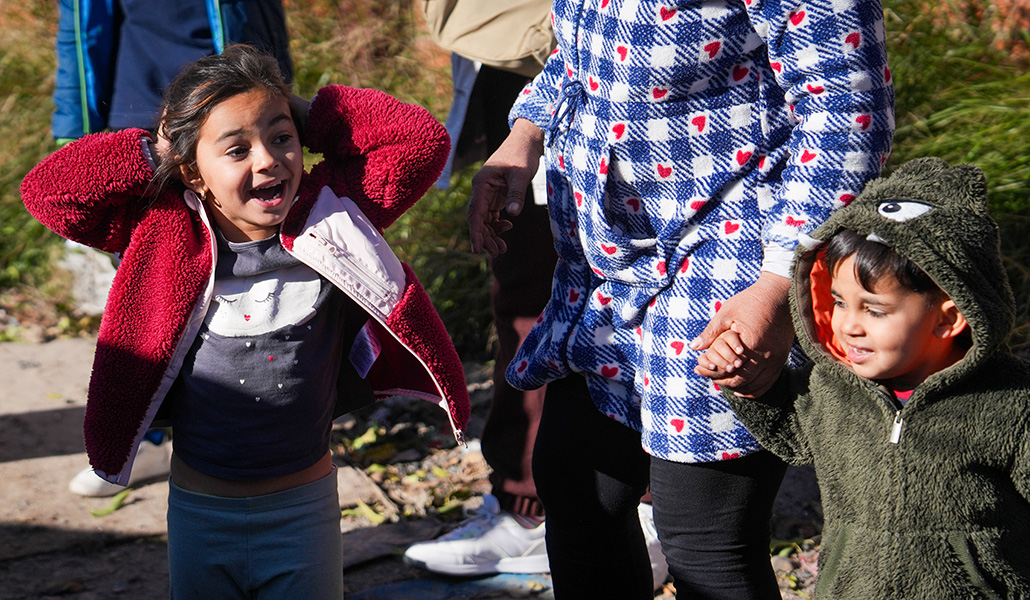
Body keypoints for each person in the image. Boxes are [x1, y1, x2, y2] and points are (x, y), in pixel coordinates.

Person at [466, 0, 895, 598]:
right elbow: (578, 54)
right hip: (602, 267)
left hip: (729, 265)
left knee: (701, 538)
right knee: (576, 483)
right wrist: (524, 135)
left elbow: (847, 114)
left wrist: (779, 284)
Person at [23, 45, 470, 598]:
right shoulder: (163, 230)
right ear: (194, 172)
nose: (266, 160)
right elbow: (50, 192)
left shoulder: (333, 212)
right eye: (236, 149)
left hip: (305, 513)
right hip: (199, 514)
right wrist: (160, 146)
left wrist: (297, 109)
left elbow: (420, 142)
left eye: (281, 138)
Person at [697, 157, 1030, 599]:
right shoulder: (834, 390)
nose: (848, 325)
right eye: (838, 302)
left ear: (949, 318)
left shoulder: (1010, 402)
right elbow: (789, 430)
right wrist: (742, 377)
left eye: (874, 309)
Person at [401, 57, 668, 588]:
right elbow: (575, 39)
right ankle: (528, 506)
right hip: (523, 71)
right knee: (529, 304)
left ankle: (648, 510)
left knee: (638, 314)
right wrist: (526, 130)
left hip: (646, 131)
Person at [55, 0, 293, 497]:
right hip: (140, 111)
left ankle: (266, 409)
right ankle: (149, 433)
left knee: (246, 275)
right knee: (155, 285)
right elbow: (80, 26)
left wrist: (288, 102)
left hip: (237, 107)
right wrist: (72, 126)